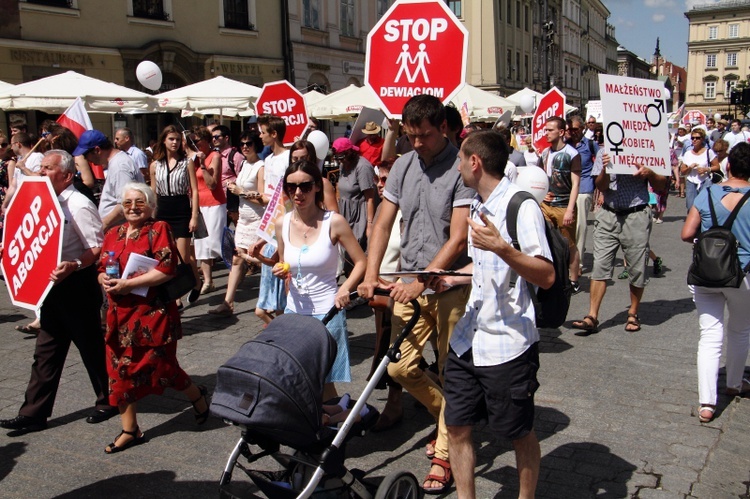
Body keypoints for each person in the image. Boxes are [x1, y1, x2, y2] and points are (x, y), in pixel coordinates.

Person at [357, 94, 474, 494]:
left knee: (447, 370)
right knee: (398, 368)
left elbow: (458, 238)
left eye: (423, 135)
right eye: (410, 136)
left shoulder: (461, 167)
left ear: (442, 127)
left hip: (447, 285)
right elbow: (384, 223)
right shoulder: (403, 165)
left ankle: (445, 452)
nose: (417, 143)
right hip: (407, 282)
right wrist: (371, 274)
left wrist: (421, 282)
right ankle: (452, 417)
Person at [428, 130, 553, 499]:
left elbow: (545, 275)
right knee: (458, 426)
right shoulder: (480, 206)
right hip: (469, 340)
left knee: (518, 432)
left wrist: (502, 248)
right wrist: (449, 278)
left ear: (475, 162)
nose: (456, 165)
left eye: (460, 159)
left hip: (507, 344)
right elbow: (483, 269)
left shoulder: (520, 206)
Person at [0, 150, 117, 433]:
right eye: (40, 167)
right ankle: (33, 414)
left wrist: (74, 264)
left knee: (90, 347)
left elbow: (96, 247)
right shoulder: (38, 201)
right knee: (46, 351)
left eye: (47, 168)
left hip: (76, 285)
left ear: (66, 175)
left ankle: (111, 399)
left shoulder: (78, 204)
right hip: (48, 286)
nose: (41, 172)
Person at [97, 182, 209, 453]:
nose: (133, 208)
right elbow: (102, 266)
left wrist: (128, 285)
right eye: (127, 203)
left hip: (152, 315)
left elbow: (168, 269)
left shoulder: (158, 229)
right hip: (119, 315)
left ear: (150, 205)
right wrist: (102, 278)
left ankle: (198, 398)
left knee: (164, 369)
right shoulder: (114, 233)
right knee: (118, 372)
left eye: (139, 202)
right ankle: (130, 429)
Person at [273, 160, 366, 401]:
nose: (298, 193)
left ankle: (343, 420)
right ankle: (324, 424)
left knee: (323, 382)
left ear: (317, 187)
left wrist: (345, 288)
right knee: (298, 377)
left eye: (305, 186)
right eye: (291, 187)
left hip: (328, 312)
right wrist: (281, 270)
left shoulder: (333, 222)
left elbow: (361, 262)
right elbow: (285, 263)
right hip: (295, 312)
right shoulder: (282, 223)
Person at [681, 142, 750, 424]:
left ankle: (707, 404)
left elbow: (687, 233)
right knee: (740, 330)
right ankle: (734, 383)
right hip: (744, 274)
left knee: (709, 336)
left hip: (707, 273)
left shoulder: (707, 193)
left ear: (728, 166)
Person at [571, 152, 668, 334]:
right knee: (600, 265)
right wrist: (606, 169)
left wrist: (651, 174)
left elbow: (662, 184)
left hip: (636, 214)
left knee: (637, 267)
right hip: (609, 213)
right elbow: (600, 185)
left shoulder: (645, 148)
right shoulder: (605, 150)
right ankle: (592, 315)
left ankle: (632, 313)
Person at [209, 131, 266, 317]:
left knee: (261, 259)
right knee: (236, 258)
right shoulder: (243, 165)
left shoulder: (261, 166)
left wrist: (240, 191)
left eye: (249, 143)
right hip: (243, 218)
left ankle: (266, 302)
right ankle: (228, 302)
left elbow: (263, 199)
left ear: (256, 144)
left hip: (258, 219)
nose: (245, 146)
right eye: (242, 143)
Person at [149, 125, 201, 307]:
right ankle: (176, 297)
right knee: (166, 255)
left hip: (181, 209)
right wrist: (151, 216)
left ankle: (193, 282)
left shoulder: (186, 162)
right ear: (163, 140)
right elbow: (153, 192)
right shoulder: (155, 165)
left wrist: (194, 216)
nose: (174, 143)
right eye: (171, 139)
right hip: (162, 209)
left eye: (178, 140)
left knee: (183, 257)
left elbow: (194, 190)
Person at [538, 116, 582, 293]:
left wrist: (570, 209)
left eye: (550, 130)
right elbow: (541, 178)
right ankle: (553, 276)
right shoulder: (545, 153)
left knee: (569, 244)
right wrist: (542, 194)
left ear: (561, 132)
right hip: (546, 206)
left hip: (564, 206)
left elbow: (576, 184)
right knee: (547, 241)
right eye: (545, 129)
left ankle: (573, 280)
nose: (546, 133)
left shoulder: (572, 154)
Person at [75, 130, 145, 232]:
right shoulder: (116, 163)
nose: (86, 159)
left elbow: (125, 204)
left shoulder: (120, 167)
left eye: (86, 155)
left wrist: (103, 224)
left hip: (121, 231)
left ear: (97, 150)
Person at [187, 126, 226, 294]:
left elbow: (212, 184)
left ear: (205, 141)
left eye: (197, 141)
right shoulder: (191, 159)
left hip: (214, 203)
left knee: (215, 244)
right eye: (192, 142)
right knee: (201, 244)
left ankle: (236, 268)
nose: (194, 144)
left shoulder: (214, 156)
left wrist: (203, 164)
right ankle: (208, 281)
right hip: (199, 203)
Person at [331, 137, 376, 272]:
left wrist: (369, 224)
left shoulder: (362, 167)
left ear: (350, 153)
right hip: (346, 213)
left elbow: (370, 198)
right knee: (347, 256)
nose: (340, 161)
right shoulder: (343, 165)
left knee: (357, 254)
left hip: (360, 214)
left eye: (342, 157)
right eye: (337, 158)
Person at [568, 115, 599, 273]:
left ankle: (578, 263)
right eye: (570, 129)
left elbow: (600, 167)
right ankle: (568, 258)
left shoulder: (590, 145)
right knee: (567, 226)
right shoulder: (565, 145)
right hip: (567, 190)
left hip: (584, 188)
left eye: (576, 129)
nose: (573, 132)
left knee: (580, 226)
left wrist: (600, 192)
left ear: (582, 128)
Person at [290, 139, 338, 212]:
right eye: (295, 159)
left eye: (303, 158)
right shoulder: (287, 183)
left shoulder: (323, 184)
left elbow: (334, 214)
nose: (299, 162)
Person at [679, 127, 719, 212]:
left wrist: (706, 169)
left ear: (702, 139)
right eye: (692, 138)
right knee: (690, 207)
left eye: (697, 138)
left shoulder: (708, 152)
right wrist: (690, 167)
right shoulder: (688, 154)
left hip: (705, 181)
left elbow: (717, 166)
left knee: (705, 206)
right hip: (691, 181)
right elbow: (682, 171)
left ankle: (703, 224)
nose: (694, 140)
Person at [212, 125, 245, 225]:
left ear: (226, 138)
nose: (214, 139)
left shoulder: (236, 156)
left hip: (233, 203)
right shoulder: (213, 155)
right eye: (212, 137)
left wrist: (232, 184)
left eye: (217, 137)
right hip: (218, 202)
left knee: (238, 229)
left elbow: (242, 179)